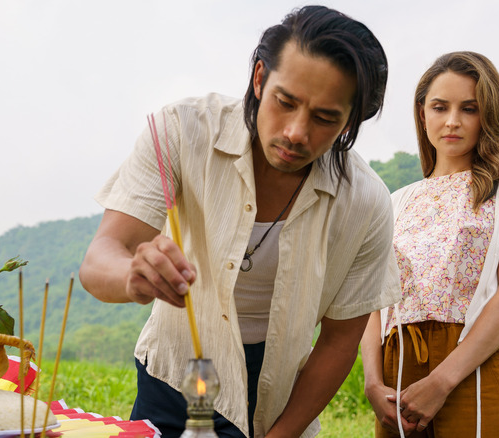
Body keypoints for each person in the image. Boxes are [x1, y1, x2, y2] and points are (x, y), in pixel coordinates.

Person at [79, 5, 398, 438]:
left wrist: (282, 433)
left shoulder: (365, 203)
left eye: (325, 118)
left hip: (277, 391)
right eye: (285, 102)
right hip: (176, 373)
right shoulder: (183, 131)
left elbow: (340, 340)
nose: (296, 133)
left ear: (351, 120)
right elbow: (100, 259)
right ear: (260, 78)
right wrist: (131, 276)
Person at [360, 51, 499, 438]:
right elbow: (373, 302)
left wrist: (441, 381)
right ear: (422, 113)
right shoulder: (396, 201)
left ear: (489, 116)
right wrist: (371, 381)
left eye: (469, 109)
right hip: (398, 371)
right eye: (439, 107)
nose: (452, 121)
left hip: (478, 365)